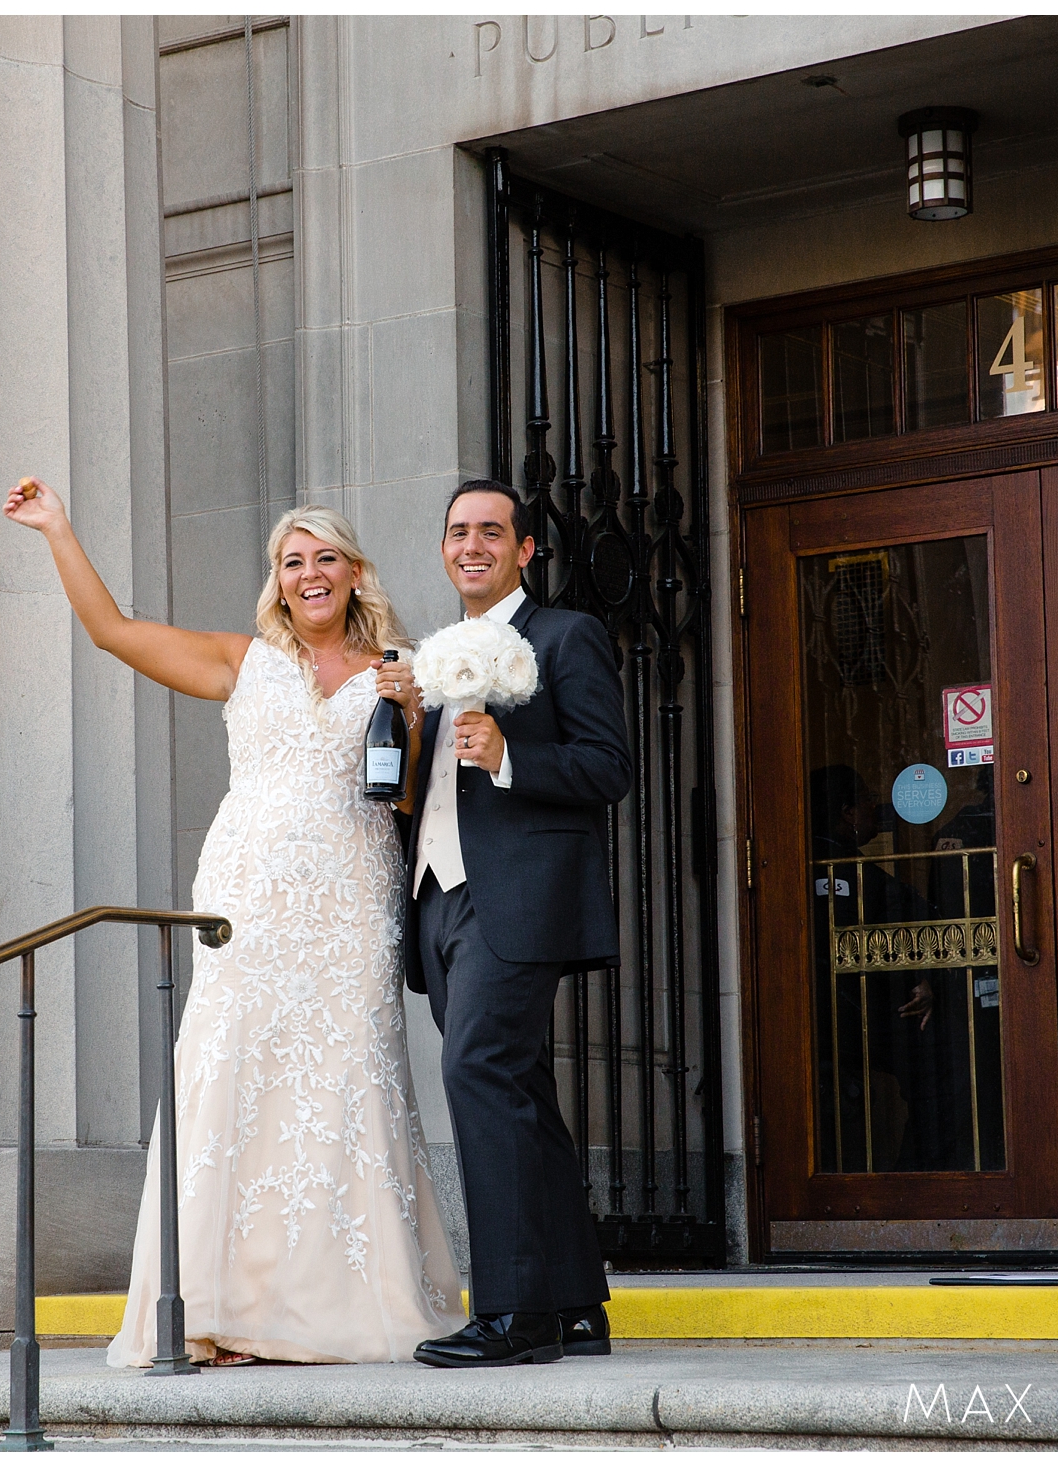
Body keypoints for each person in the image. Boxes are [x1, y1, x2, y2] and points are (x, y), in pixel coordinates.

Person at [1, 477, 465, 1367]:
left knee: (343, 1083)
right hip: (248, 902)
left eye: (325, 556)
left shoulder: (402, 670)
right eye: (292, 562)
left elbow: (412, 801)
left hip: (350, 903)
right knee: (234, 1082)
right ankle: (217, 1307)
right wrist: (58, 525)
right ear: (278, 582)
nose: (309, 572)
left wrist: (410, 711)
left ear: (356, 572)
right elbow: (112, 631)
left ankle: (338, 1305)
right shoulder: (240, 660)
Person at [394, 479, 631, 1368]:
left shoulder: (565, 635)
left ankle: (511, 1313)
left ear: (525, 549)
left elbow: (608, 767)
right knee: (521, 1090)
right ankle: (573, 1303)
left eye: (491, 532)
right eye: (458, 532)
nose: (472, 545)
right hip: (437, 896)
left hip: (518, 898)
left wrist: (508, 756)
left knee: (477, 1071)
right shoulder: (428, 656)